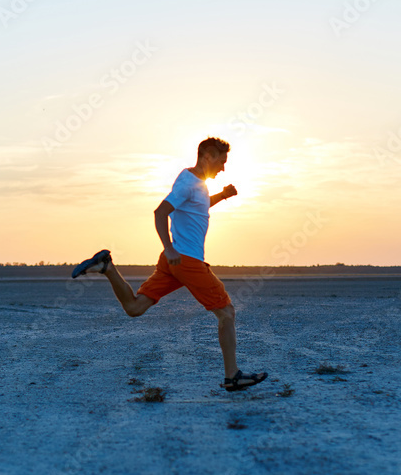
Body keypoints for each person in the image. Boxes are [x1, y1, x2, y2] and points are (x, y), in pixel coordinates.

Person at [72, 137, 267, 392]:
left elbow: (197, 206)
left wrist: (223, 195)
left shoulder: (196, 184)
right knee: (226, 313)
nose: (223, 168)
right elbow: (160, 212)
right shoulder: (188, 183)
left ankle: (107, 267)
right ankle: (232, 376)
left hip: (173, 263)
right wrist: (169, 246)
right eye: (221, 161)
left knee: (135, 307)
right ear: (208, 156)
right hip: (185, 260)